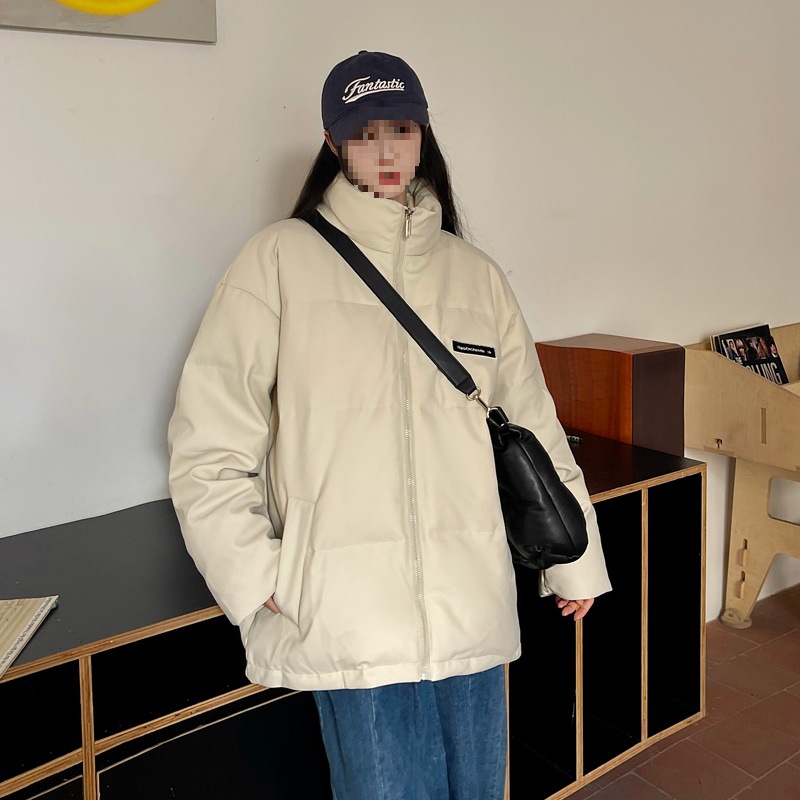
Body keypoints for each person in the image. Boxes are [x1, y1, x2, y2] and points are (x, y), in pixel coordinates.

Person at [167, 50, 612, 800]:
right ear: (334, 142)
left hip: (470, 602)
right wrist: (254, 571)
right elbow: (208, 441)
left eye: (400, 129)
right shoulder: (276, 261)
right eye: (364, 133)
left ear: (422, 134)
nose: (385, 151)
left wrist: (577, 557)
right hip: (348, 611)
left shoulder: (476, 276)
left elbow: (531, 424)